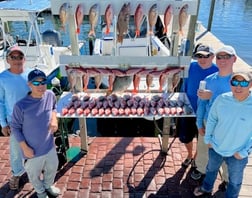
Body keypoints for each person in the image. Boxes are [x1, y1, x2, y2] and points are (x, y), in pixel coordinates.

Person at [193, 67, 252, 197]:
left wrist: (244, 152)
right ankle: (206, 188)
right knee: (210, 170)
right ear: (230, 84)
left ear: (250, 84)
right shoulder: (222, 99)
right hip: (216, 146)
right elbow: (212, 119)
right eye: (235, 82)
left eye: (243, 83)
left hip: (238, 153)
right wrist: (208, 139)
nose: (238, 87)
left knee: (235, 182)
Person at [191, 45, 237, 186]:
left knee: (228, 154)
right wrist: (199, 124)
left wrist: (214, 96)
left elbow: (239, 104)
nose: (222, 60)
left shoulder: (239, 81)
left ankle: (227, 178)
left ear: (234, 59)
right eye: (219, 57)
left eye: (226, 57)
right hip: (207, 122)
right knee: (203, 148)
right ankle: (200, 168)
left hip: (228, 125)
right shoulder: (208, 80)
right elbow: (202, 105)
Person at [10, 69, 60, 198]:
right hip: (32, 151)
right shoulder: (21, 106)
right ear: (29, 84)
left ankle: (48, 185)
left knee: (53, 167)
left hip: (49, 145)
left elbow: (53, 108)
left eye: (43, 82)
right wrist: (25, 148)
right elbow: (15, 128)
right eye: (36, 83)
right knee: (33, 175)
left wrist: (54, 119)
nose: (41, 86)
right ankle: (40, 191)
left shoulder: (50, 95)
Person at [179, 44, 218, 168]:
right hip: (188, 109)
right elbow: (183, 82)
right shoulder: (190, 66)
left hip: (207, 113)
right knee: (185, 137)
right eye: (199, 56)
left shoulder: (218, 71)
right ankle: (190, 155)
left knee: (202, 139)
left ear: (212, 56)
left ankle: (196, 157)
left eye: (206, 56)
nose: (202, 59)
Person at [0, 45, 31, 190]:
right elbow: (0, 101)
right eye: (13, 57)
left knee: (35, 146)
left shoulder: (31, 75)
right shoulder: (2, 78)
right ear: (7, 59)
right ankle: (17, 173)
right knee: (15, 150)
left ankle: (34, 169)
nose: (17, 60)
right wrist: (3, 123)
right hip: (14, 121)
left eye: (20, 57)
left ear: (24, 59)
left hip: (33, 120)